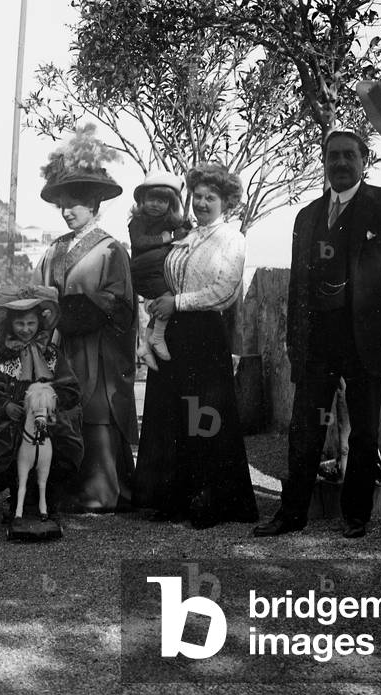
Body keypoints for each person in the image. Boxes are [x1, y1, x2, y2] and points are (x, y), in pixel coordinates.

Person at [253, 121, 381, 539]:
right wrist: (295, 342)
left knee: (364, 431)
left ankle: (355, 516)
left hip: (367, 340)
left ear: (364, 161)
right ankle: (291, 515)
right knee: (304, 428)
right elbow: (298, 287)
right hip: (319, 341)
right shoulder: (307, 217)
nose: (340, 162)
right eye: (333, 156)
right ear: (324, 163)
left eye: (349, 155)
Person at [133, 163, 259, 529]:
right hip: (173, 331)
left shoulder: (232, 239)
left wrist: (178, 302)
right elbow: (163, 276)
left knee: (204, 414)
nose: (202, 203)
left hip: (204, 333)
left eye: (211, 197)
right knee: (171, 411)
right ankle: (172, 495)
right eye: (198, 196)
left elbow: (224, 291)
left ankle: (211, 497)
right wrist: (161, 302)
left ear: (227, 202)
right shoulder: (185, 236)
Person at [34, 126, 137, 511]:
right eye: (62, 203)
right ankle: (62, 488)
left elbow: (118, 302)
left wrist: (71, 309)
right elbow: (39, 294)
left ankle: (100, 491)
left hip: (96, 349)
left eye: (75, 203)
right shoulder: (53, 249)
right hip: (60, 346)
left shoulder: (112, 249)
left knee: (94, 409)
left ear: (94, 204)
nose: (66, 211)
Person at [0, 285, 83, 518]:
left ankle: (50, 501)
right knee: (7, 447)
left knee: (63, 443)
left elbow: (70, 388)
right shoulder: (2, 356)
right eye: (20, 324)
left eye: (31, 324)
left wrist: (53, 401)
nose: (26, 330)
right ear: (10, 326)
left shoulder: (51, 353)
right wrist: (5, 405)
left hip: (48, 417)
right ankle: (17, 499)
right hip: (15, 419)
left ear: (40, 324)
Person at [128, 171, 191, 369]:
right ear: (142, 201)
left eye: (162, 201)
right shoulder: (137, 221)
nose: (156, 204)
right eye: (151, 199)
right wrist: (164, 239)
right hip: (143, 271)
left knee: (169, 296)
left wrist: (185, 230)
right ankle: (156, 337)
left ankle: (146, 345)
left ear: (170, 205)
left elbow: (185, 230)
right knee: (166, 297)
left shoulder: (169, 220)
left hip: (158, 271)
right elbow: (138, 241)